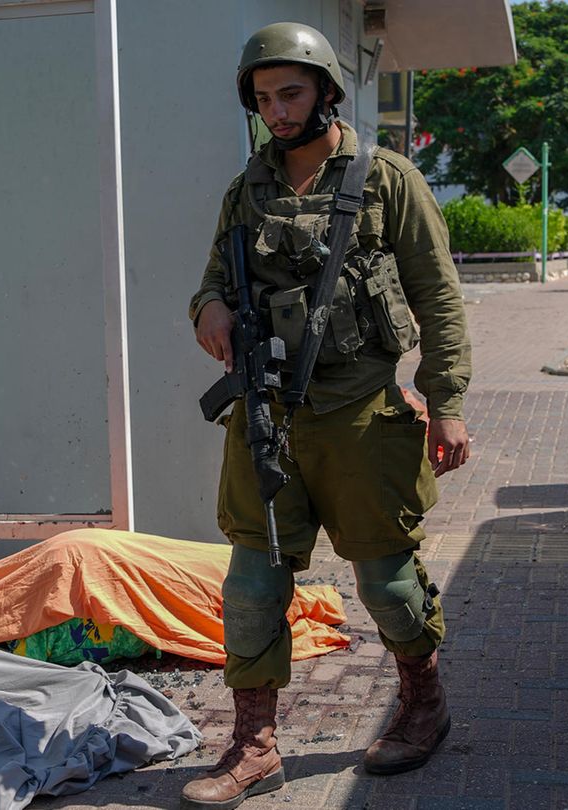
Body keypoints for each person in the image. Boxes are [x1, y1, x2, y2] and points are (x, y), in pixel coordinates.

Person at [182, 22, 472, 810]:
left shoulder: (387, 180)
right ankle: (254, 745)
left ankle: (423, 705)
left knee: (386, 581)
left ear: (326, 92)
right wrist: (208, 306)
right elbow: (211, 276)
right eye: (263, 97)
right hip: (267, 416)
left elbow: (439, 299)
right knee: (250, 585)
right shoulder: (247, 189)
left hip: (360, 414)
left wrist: (444, 403)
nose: (276, 111)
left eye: (292, 93)